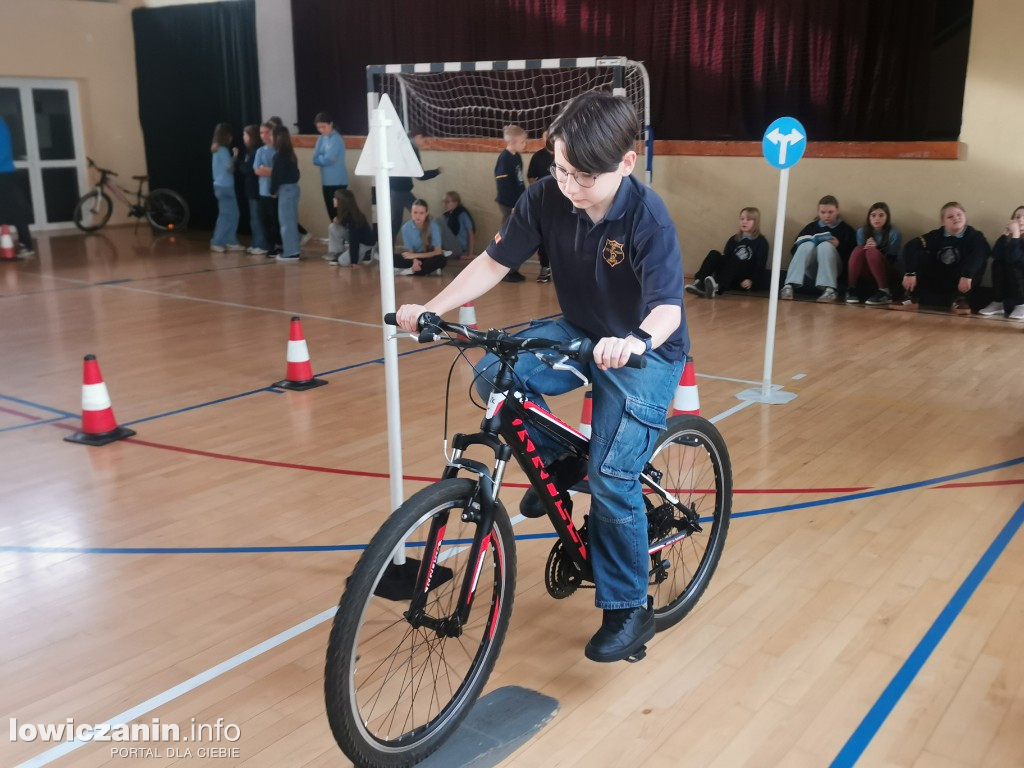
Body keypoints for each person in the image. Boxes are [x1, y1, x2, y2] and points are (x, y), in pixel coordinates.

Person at [395, 91, 687, 664]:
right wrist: (435, 307)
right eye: (558, 168)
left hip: (645, 354)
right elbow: (494, 262)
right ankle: (558, 462)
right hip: (579, 331)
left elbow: (668, 308)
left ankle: (630, 610)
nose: (568, 185)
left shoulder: (648, 218)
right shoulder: (545, 197)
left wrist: (636, 340)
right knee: (493, 379)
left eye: (582, 176)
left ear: (626, 163)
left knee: (611, 478)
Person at [898, 202, 990, 313]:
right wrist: (910, 272)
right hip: (938, 278)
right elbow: (911, 246)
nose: (956, 218)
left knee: (978, 259)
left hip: (961, 280)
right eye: (950, 216)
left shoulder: (975, 236)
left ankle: (961, 299)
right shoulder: (936, 235)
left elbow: (981, 253)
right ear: (943, 221)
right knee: (915, 253)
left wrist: (967, 274)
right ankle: (911, 296)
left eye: (959, 214)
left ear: (965, 216)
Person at [779, 195, 857, 303]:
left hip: (835, 269)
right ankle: (788, 286)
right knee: (806, 245)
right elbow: (794, 250)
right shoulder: (811, 227)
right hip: (812, 268)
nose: (826, 216)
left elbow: (852, 257)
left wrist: (839, 245)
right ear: (818, 212)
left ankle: (830, 290)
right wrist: (807, 245)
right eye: (823, 212)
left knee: (825, 246)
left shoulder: (846, 230)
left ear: (837, 211)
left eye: (830, 212)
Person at [685, 207, 768, 298]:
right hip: (728, 275)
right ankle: (699, 283)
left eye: (748, 219)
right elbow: (726, 258)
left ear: (755, 222)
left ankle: (716, 286)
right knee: (714, 254)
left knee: (736, 258)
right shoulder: (734, 239)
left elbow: (760, 265)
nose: (744, 222)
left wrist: (751, 280)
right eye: (742, 219)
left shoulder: (761, 242)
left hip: (742, 279)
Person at [390, 130, 441, 244]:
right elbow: (419, 175)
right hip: (401, 190)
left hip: (395, 188)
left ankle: (386, 251)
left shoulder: (402, 145)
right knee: (423, 217)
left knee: (395, 222)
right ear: (418, 136)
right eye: (424, 139)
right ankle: (433, 246)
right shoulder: (411, 149)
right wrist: (437, 171)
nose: (424, 142)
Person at [845, 202, 902, 305]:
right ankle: (851, 288)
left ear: (887, 217)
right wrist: (866, 247)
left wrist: (877, 249)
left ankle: (885, 291)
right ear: (869, 217)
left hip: (886, 269)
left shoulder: (894, 233)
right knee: (859, 249)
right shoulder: (862, 231)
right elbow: (860, 257)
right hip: (866, 271)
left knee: (871, 252)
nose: (877, 219)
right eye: (873, 215)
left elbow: (892, 258)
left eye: (881, 215)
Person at [977, 206, 1024, 320]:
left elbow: (1016, 259)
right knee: (998, 264)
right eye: (1017, 217)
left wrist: (1016, 236)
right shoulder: (1010, 239)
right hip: (1010, 287)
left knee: (1014, 265)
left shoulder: (1016, 239)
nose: (1021, 220)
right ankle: (998, 302)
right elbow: (995, 254)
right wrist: (1005, 235)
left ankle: (1022, 305)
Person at [494, 124, 527, 282]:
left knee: (516, 236)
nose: (524, 144)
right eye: (522, 142)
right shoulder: (505, 158)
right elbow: (504, 186)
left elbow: (519, 181)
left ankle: (512, 269)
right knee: (507, 236)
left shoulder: (516, 157)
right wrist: (513, 205)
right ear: (512, 142)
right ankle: (503, 269)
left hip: (517, 203)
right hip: (509, 204)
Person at [0, 116, 33, 256]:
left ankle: (26, 244)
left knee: (16, 209)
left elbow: (4, 152)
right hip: (5, 173)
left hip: (4, 174)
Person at [209, 123, 243, 253]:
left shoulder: (216, 149)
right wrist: (235, 157)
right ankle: (217, 241)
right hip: (225, 186)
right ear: (227, 136)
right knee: (226, 215)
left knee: (233, 214)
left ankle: (230, 240)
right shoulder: (222, 150)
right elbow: (230, 168)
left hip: (221, 185)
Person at [270, 125, 301, 262]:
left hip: (286, 190)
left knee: (286, 222)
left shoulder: (279, 156)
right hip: (293, 188)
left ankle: (291, 252)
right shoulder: (290, 154)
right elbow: (297, 173)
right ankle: (294, 249)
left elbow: (277, 175)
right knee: (291, 220)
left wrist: (273, 190)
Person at [527, 130, 555, 283]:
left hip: (565, 202)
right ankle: (545, 267)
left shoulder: (566, 154)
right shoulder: (538, 157)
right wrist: (538, 189)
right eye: (547, 136)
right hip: (544, 203)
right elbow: (531, 176)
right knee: (543, 236)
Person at [394, 198, 447, 276]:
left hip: (430, 256)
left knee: (441, 259)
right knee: (392, 258)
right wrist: (415, 261)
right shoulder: (406, 228)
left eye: (421, 213)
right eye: (415, 212)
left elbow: (437, 251)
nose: (417, 216)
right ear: (411, 212)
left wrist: (415, 255)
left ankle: (413, 270)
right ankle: (420, 269)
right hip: (415, 257)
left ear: (426, 213)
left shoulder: (434, 226)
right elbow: (410, 251)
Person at [312, 111, 348, 222]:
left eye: (324, 126)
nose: (322, 130)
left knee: (339, 212)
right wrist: (324, 159)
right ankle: (335, 236)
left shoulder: (336, 139)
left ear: (331, 124)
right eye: (319, 127)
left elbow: (327, 159)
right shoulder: (321, 139)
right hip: (326, 181)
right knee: (331, 213)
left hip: (337, 181)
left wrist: (322, 159)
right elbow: (314, 159)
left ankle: (343, 237)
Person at [326, 188, 376, 267]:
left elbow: (354, 240)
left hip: (365, 243)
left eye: (336, 198)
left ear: (342, 201)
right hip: (357, 239)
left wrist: (354, 262)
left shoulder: (354, 218)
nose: (333, 199)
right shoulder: (344, 213)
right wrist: (339, 221)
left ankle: (368, 251)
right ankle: (338, 252)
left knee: (342, 261)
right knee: (333, 226)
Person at [253, 121, 281, 256]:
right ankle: (270, 246)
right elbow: (257, 170)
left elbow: (280, 171)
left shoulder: (279, 150)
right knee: (264, 220)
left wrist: (267, 169)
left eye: (267, 132)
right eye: (261, 133)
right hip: (262, 191)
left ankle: (279, 244)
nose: (263, 135)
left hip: (275, 192)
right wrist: (268, 170)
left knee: (276, 220)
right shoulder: (260, 151)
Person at [240, 125, 268, 256]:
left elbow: (249, 169)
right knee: (254, 218)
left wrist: (241, 165)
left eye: (245, 135)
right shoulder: (250, 151)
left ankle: (262, 244)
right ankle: (256, 242)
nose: (243, 138)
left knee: (257, 218)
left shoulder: (256, 151)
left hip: (256, 189)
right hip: (251, 189)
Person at [442, 191, 476, 261]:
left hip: (459, 247)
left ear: (455, 202)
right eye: (444, 202)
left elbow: (471, 233)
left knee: (437, 222)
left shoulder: (462, 214)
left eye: (447, 202)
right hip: (449, 246)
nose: (445, 204)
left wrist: (470, 254)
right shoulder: (447, 216)